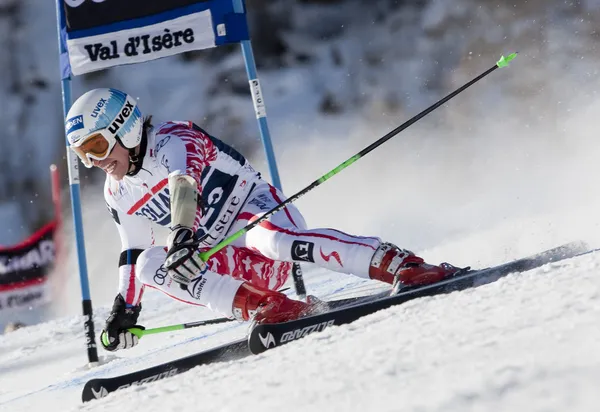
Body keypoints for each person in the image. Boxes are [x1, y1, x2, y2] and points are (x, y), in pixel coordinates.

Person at [64, 88, 458, 352]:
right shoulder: (117, 191)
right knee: (152, 264)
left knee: (271, 239)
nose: (95, 162)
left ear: (126, 126)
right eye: (84, 155)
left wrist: (182, 234)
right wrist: (125, 310)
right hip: (235, 263)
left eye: (97, 146)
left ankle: (401, 265)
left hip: (258, 217)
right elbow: (132, 251)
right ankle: (265, 307)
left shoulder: (174, 139)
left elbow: (183, 184)